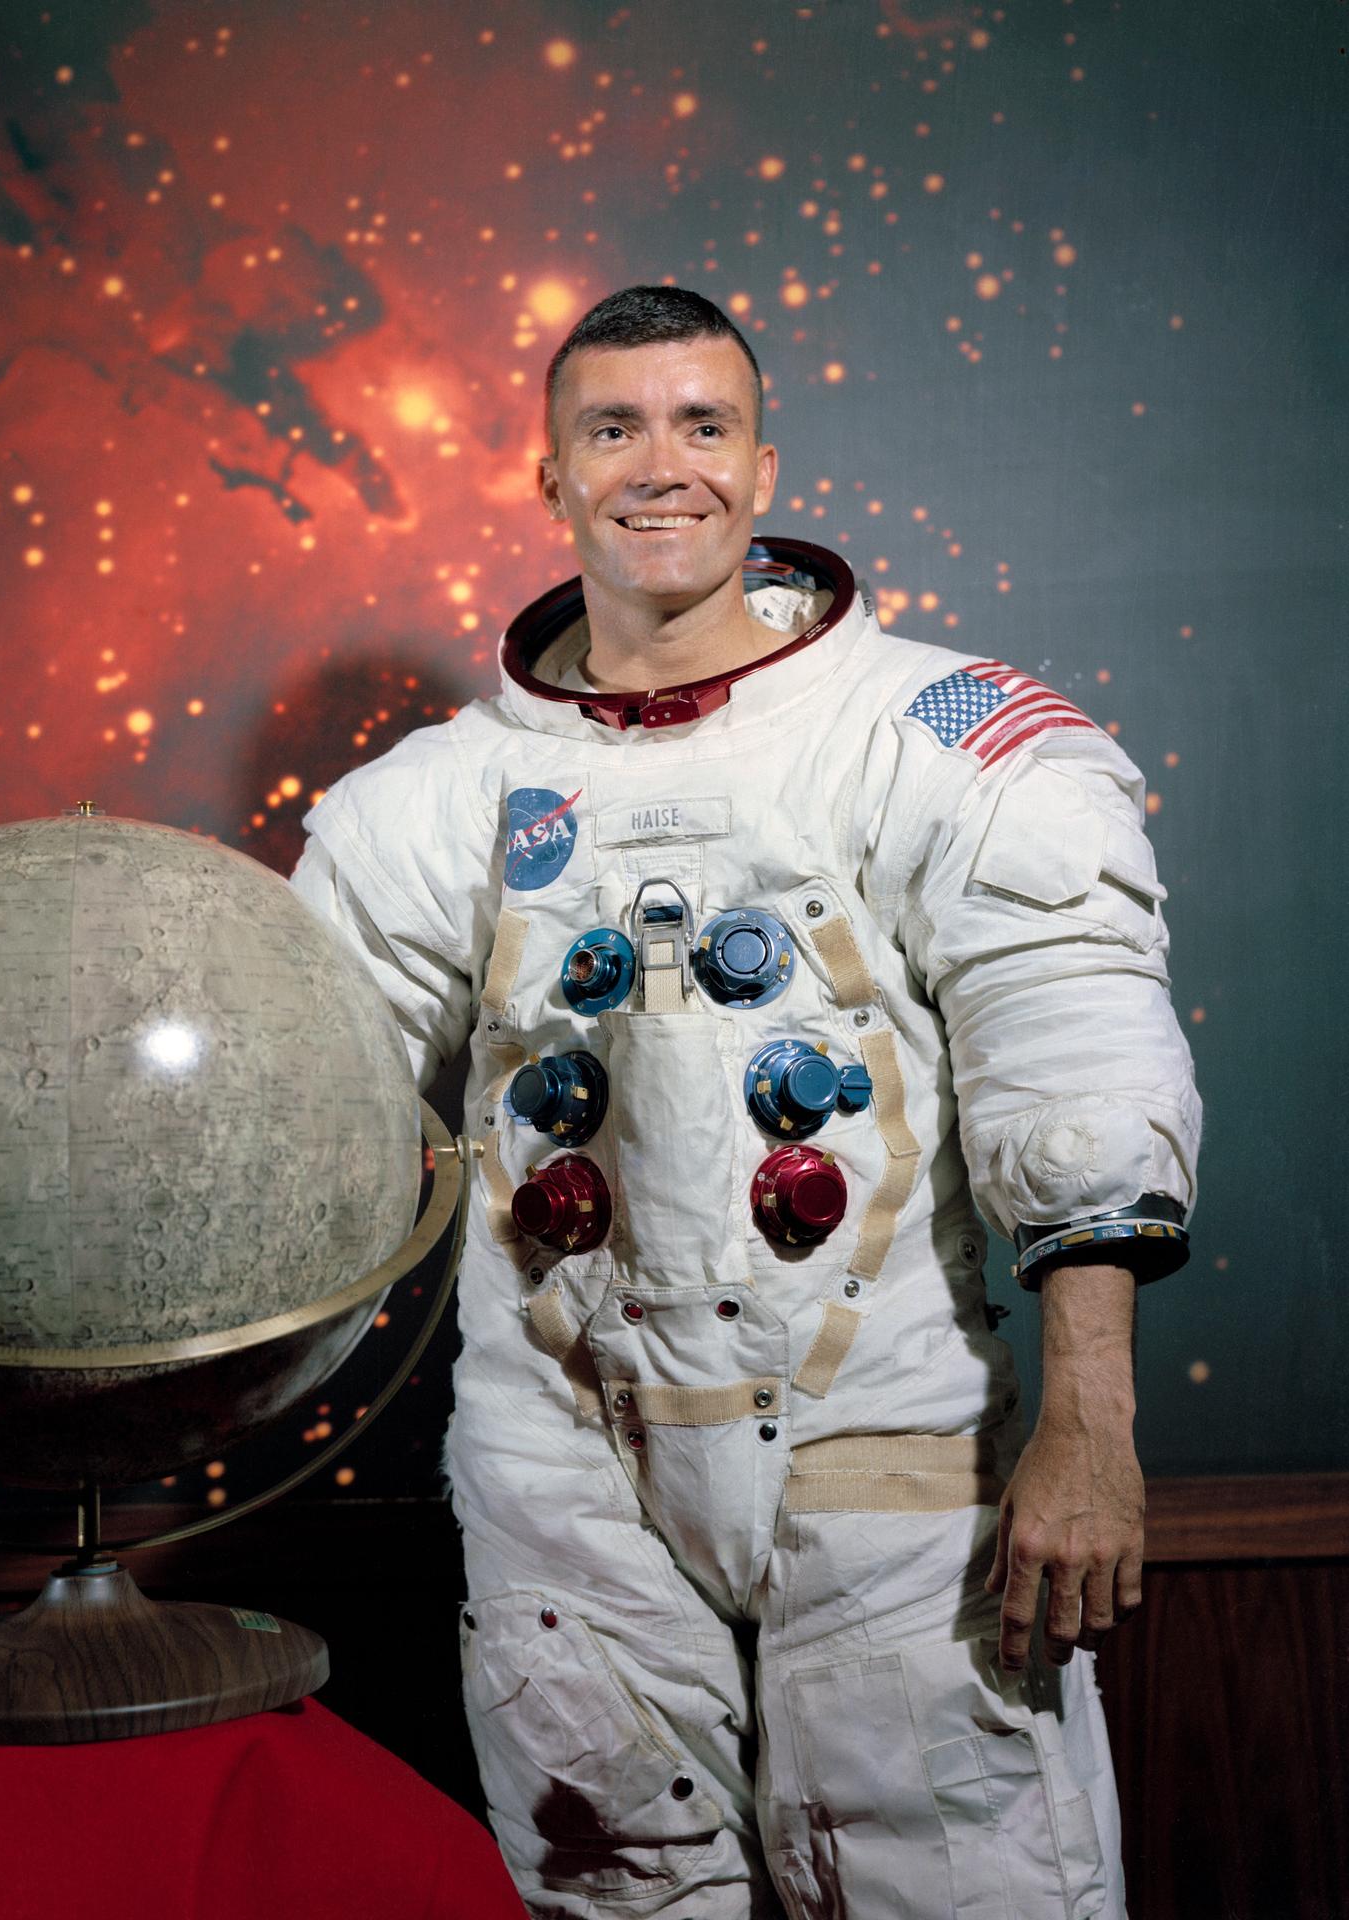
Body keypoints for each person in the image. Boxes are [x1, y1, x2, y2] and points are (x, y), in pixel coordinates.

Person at [291, 285, 1200, 1919]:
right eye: (614, 428)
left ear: (762, 462)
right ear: (549, 477)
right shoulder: (434, 804)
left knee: (969, 1881)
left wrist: (1095, 1423)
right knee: (613, 1887)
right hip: (565, 1454)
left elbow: (1073, 1048)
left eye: (704, 424)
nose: (664, 464)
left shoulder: (935, 735)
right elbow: (295, 1113)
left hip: (884, 1439)